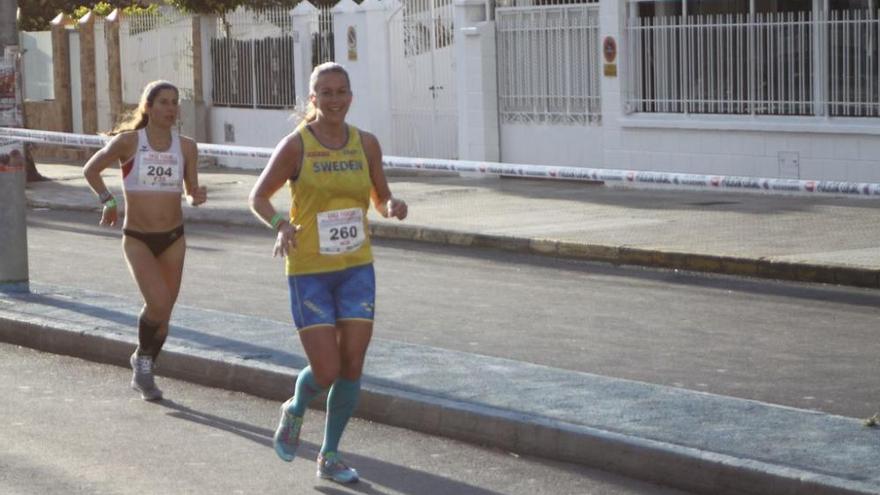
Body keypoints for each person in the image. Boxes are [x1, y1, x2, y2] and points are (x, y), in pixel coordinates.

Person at [249, 62, 407, 484]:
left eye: (341, 92)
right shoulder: (296, 146)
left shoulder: (366, 143)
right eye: (326, 93)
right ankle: (295, 409)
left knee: (353, 363)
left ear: (350, 97)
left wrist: (391, 206)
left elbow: (381, 194)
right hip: (310, 270)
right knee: (326, 370)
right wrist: (280, 224)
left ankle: (331, 454)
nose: (334, 100)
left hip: (356, 267)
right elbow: (259, 196)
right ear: (313, 99)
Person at [83, 80, 207, 401]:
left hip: (173, 238)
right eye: (163, 102)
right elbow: (91, 170)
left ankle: (144, 363)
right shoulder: (129, 143)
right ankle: (143, 360)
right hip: (138, 237)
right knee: (158, 304)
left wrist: (197, 196)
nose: (170, 108)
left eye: (174, 102)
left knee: (164, 316)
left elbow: (191, 193)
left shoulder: (187, 147)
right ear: (148, 107)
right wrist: (107, 200)